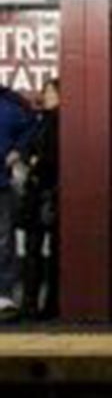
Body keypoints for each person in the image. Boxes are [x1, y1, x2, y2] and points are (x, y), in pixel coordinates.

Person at [13, 80, 59, 321]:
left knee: (36, 250)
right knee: (44, 250)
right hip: (46, 192)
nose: (45, 96)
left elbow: (45, 156)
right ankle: (42, 304)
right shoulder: (45, 121)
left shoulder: (51, 123)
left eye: (50, 91)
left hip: (44, 192)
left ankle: (33, 304)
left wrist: (34, 161)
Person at [0, 82, 36, 322]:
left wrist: (18, 150)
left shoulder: (11, 105)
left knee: (3, 239)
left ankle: (3, 295)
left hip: (0, 183)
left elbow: (32, 127)